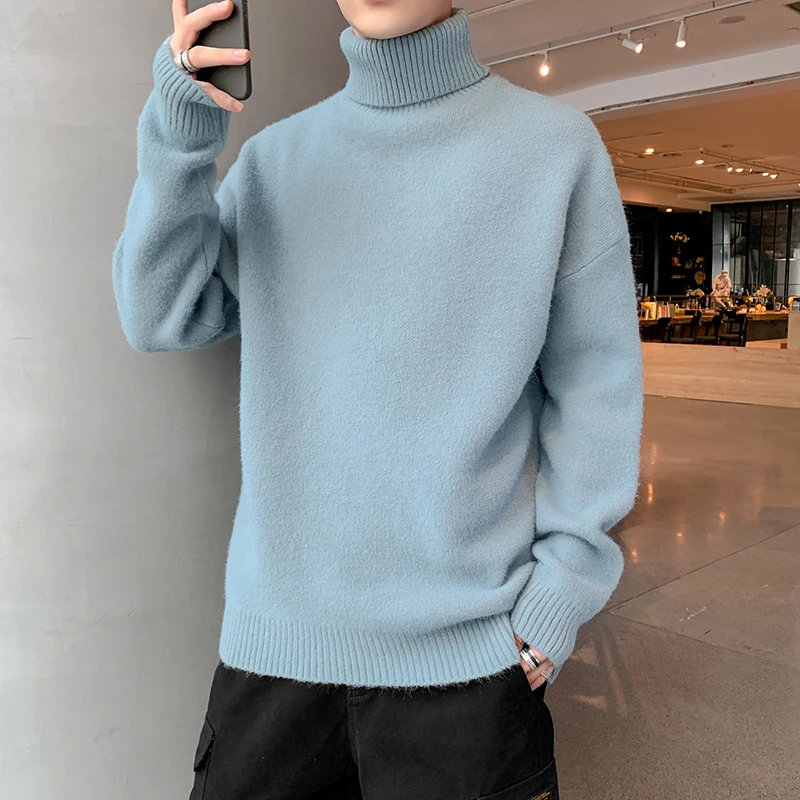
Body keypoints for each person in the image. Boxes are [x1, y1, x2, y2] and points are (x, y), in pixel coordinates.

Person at [112, 1, 643, 797]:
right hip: (275, 657)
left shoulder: (554, 152)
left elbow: (596, 388)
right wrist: (182, 125)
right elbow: (161, 314)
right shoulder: (275, 163)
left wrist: (562, 593)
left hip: (471, 665)